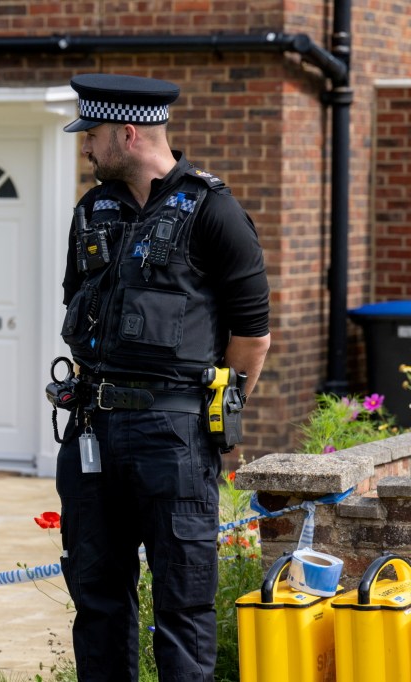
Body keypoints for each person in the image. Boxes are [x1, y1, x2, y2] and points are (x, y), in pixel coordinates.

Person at [54, 74, 271, 681]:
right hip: (93, 428)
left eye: (92, 135)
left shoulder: (213, 210)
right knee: (96, 597)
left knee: (183, 603)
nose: (86, 148)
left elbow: (252, 338)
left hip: (172, 434)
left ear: (127, 133)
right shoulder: (91, 209)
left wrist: (221, 414)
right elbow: (78, 307)